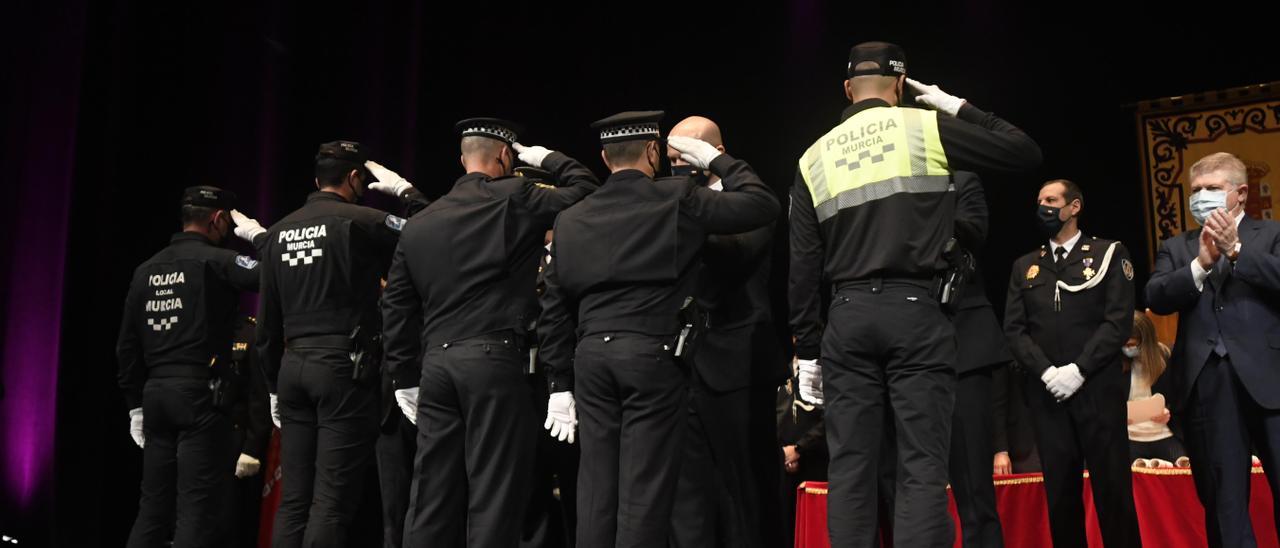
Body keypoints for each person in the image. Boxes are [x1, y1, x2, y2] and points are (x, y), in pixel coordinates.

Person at [788, 41, 1041, 547]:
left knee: (852, 468)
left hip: (846, 316)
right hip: (914, 312)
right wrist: (955, 106)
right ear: (901, 86)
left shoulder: (813, 156)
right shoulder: (922, 128)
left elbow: (802, 267)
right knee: (921, 463)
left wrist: (808, 348)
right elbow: (1024, 151)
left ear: (847, 89)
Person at [538, 110, 779, 547]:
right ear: (653, 151)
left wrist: (558, 381)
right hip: (649, 356)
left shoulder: (571, 218)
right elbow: (761, 204)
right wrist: (719, 162)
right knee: (644, 490)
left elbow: (554, 305)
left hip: (590, 359)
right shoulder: (675, 198)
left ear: (604, 158)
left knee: (595, 489)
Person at [380, 118, 599, 546]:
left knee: (430, 492)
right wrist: (547, 158)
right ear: (505, 157)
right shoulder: (514, 196)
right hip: (493, 362)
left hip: (435, 367)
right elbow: (586, 190)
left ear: (462, 160)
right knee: (494, 490)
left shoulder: (423, 222)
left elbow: (396, 306)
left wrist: (404, 377)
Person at [256, 140, 412, 548]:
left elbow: (266, 326)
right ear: (357, 177)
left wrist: (273, 383)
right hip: (341, 368)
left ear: (316, 178)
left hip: (292, 369)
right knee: (330, 503)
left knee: (294, 500)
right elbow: (436, 228)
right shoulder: (361, 220)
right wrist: (405, 193)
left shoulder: (277, 233)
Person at [116, 186, 265, 548]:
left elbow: (126, 346)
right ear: (217, 220)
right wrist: (260, 237)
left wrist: (135, 404)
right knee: (196, 510)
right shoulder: (217, 261)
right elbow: (275, 276)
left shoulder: (145, 270)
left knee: (151, 509)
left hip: (155, 396)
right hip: (199, 396)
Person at [665, 115, 788, 548]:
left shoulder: (748, 200)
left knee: (748, 490)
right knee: (688, 495)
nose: (680, 162)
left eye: (690, 151)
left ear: (714, 150)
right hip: (680, 367)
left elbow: (737, 253)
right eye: (673, 154)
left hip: (739, 364)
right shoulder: (670, 203)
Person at [1146, 151, 1280, 547]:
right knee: (1224, 499)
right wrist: (1200, 265)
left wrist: (1237, 250)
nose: (1202, 197)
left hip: (1270, 378)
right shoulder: (1178, 245)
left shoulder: (1271, 234)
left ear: (1239, 193)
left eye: (1212, 189)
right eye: (1196, 190)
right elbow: (1155, 295)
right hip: (1208, 381)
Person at [1003, 179, 1141, 548]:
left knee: (1113, 491)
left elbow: (1117, 322)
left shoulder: (1109, 253)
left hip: (1097, 389)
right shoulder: (1025, 266)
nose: (1043, 207)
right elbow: (1014, 331)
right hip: (1048, 394)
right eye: (1039, 201)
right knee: (1060, 496)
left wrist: (1078, 370)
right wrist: (1048, 372)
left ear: (1074, 206)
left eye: (1051, 200)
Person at [1123, 311, 1185, 464]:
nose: (1127, 348)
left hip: (1162, 432)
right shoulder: (1113, 364)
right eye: (1123, 344)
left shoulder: (1164, 358)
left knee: (1183, 464)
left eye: (1132, 344)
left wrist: (1167, 412)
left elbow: (1178, 398)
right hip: (1129, 435)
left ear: (1145, 341)